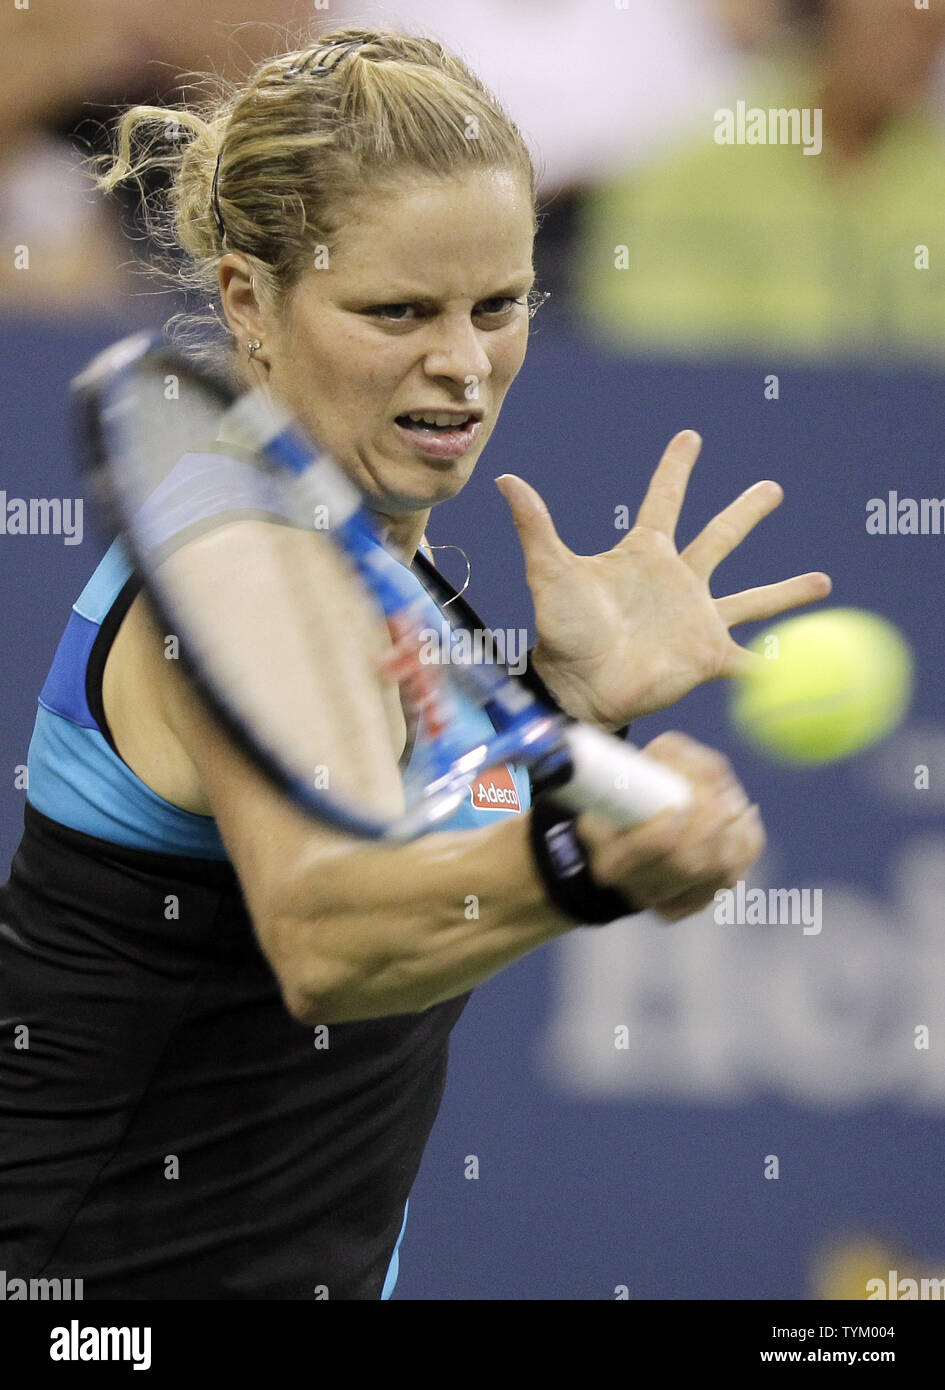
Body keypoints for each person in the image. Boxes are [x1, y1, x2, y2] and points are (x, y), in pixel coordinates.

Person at [0, 28, 829, 1300]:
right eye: (396, 311)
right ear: (245, 302)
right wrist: (581, 857)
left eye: (497, 306)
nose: (461, 362)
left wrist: (567, 708)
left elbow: (402, 844)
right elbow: (326, 930)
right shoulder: (249, 564)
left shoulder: (362, 554)